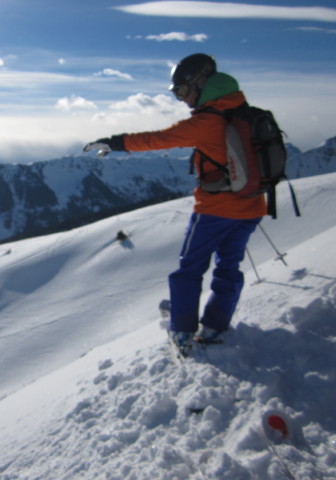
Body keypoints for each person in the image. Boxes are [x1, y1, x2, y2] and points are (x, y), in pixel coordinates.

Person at [84, 53, 266, 356]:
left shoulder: (209, 121)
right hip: (252, 207)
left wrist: (114, 142)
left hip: (215, 210)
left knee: (189, 269)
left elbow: (159, 138)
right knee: (228, 267)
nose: (181, 99)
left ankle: (181, 332)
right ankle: (215, 327)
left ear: (200, 84)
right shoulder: (244, 112)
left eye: (182, 91)